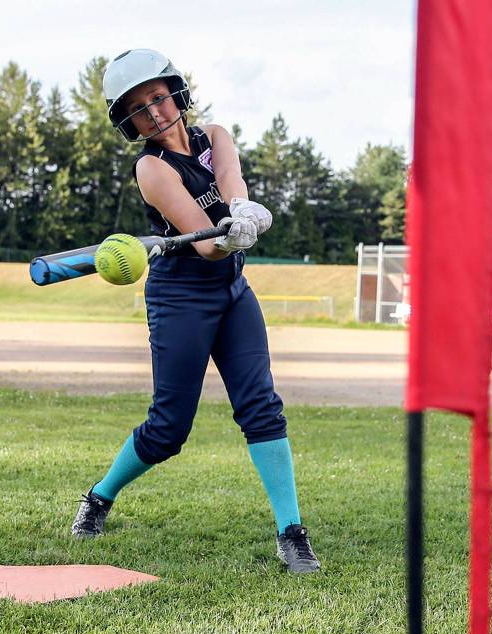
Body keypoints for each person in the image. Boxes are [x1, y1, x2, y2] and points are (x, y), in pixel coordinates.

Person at [70, 49, 320, 574]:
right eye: (139, 107)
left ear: (175, 92)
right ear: (129, 121)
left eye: (158, 96)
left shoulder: (215, 135)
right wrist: (224, 237)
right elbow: (203, 245)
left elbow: (229, 180)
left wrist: (242, 211)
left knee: (261, 405)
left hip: (231, 292)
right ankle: (98, 497)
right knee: (167, 430)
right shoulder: (151, 170)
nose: (154, 112)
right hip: (180, 296)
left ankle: (291, 532)